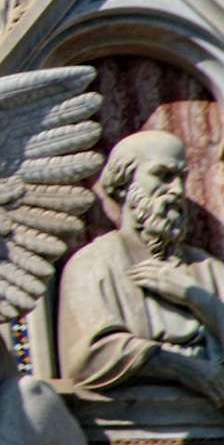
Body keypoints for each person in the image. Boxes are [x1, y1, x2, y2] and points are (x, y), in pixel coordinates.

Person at [59, 129, 224, 403]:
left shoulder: (208, 269)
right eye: (163, 175)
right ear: (123, 184)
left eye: (181, 178)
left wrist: (199, 300)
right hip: (130, 420)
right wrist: (186, 368)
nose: (177, 190)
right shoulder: (93, 263)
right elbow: (88, 357)